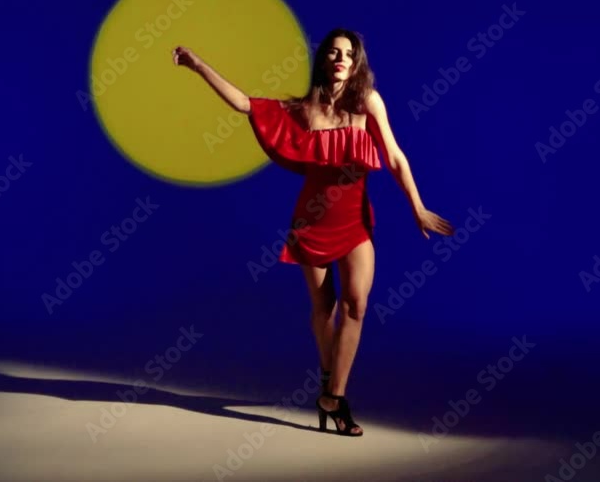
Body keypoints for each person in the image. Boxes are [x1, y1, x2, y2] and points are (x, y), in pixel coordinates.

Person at [172, 28, 454, 436]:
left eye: (349, 53)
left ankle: (334, 397)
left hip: (355, 220)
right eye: (334, 52)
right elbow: (245, 104)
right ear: (324, 60)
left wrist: (418, 207)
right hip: (312, 220)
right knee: (325, 309)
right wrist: (198, 66)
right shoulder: (305, 110)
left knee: (356, 305)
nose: (341, 58)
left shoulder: (367, 102)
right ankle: (328, 383)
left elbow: (393, 156)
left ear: (356, 63)